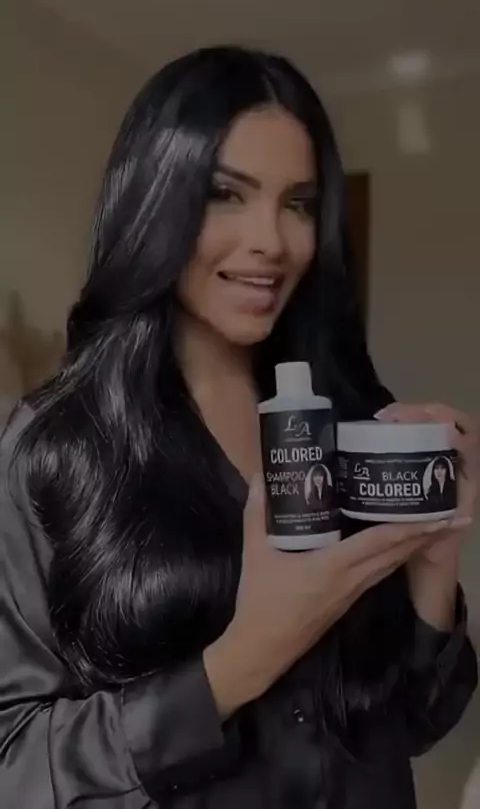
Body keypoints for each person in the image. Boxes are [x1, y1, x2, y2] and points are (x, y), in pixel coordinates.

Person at [0, 46, 477, 809]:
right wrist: (237, 665)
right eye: (226, 194)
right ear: (155, 202)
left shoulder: (349, 419)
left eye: (298, 203)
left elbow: (413, 721)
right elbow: (15, 767)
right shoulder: (56, 446)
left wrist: (435, 563)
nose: (273, 241)